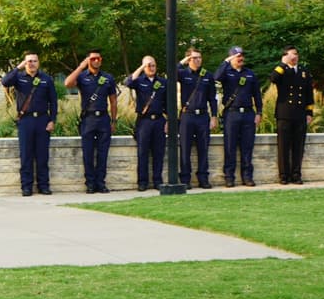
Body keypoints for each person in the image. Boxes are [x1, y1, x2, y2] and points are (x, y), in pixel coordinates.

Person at [0, 52, 58, 196]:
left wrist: (52, 120)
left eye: (34, 61)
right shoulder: (19, 78)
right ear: (25, 63)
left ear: (38, 62)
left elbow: (53, 101)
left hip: (43, 120)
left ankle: (43, 186)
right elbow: (5, 82)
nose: (31, 64)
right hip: (25, 120)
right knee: (26, 155)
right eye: (29, 61)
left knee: (42, 155)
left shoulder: (46, 79)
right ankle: (26, 187)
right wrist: (18, 67)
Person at [64, 49, 117, 194]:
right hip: (88, 118)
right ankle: (90, 184)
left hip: (104, 119)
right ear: (88, 60)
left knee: (103, 153)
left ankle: (101, 183)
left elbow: (113, 101)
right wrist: (81, 67)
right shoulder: (82, 77)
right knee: (87, 153)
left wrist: (113, 121)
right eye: (93, 59)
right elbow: (67, 83)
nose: (96, 61)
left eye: (98, 58)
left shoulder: (108, 78)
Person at [214, 46, 262, 187]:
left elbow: (257, 95)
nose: (241, 58)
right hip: (232, 113)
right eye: (237, 56)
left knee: (247, 147)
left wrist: (259, 112)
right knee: (230, 147)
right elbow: (216, 77)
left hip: (248, 113)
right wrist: (226, 62)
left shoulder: (250, 74)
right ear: (231, 58)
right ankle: (229, 177)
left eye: (242, 56)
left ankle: (247, 177)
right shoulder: (226, 72)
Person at [270, 47, 315, 184]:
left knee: (298, 146)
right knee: (283, 146)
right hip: (285, 113)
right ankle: (284, 176)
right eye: (292, 54)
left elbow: (309, 93)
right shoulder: (282, 70)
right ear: (286, 56)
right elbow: (273, 79)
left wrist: (309, 112)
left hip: (300, 113)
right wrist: (282, 64)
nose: (295, 56)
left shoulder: (303, 71)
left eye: (296, 53)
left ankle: (296, 174)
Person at [176, 48, 218, 189]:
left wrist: (214, 116)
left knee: (203, 148)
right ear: (188, 60)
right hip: (187, 115)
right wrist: (183, 61)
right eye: (194, 58)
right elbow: (171, 73)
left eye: (199, 57)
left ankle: (203, 178)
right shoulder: (182, 74)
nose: (198, 60)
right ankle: (185, 179)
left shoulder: (207, 75)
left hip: (202, 116)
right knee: (185, 148)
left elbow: (212, 98)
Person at [123, 56, 166, 191]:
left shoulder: (163, 82)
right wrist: (142, 67)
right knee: (143, 153)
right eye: (148, 66)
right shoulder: (139, 81)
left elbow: (168, 102)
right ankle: (142, 182)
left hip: (159, 120)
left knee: (158, 153)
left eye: (153, 65)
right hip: (144, 121)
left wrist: (169, 121)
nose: (151, 68)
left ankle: (157, 180)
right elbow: (128, 82)